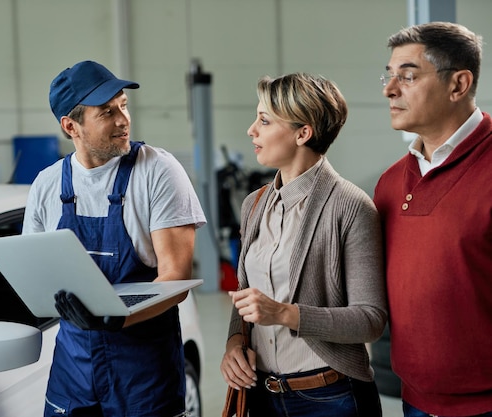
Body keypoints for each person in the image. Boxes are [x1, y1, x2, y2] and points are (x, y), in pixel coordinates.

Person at [22, 60, 206, 417]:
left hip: (144, 371)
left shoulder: (157, 172)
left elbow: (177, 278)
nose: (123, 119)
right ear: (70, 125)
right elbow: (37, 277)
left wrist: (117, 318)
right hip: (73, 367)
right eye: (107, 112)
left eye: (123, 106)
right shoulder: (46, 184)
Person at [219, 72, 388, 416]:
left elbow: (370, 319)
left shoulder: (350, 206)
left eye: (264, 120)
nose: (252, 130)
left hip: (330, 398)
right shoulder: (254, 204)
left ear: (303, 132)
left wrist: (284, 313)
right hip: (263, 395)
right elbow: (245, 294)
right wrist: (235, 341)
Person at [374, 22, 492, 416]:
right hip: (416, 402)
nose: (390, 90)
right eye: (389, 76)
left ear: (458, 85)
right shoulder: (390, 184)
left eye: (407, 76)